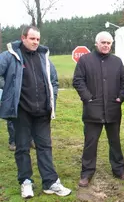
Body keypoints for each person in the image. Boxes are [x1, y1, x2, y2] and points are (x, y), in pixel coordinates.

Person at [0, 26, 71, 198]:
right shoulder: (9, 56)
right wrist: (9, 90)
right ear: (23, 38)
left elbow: (53, 80)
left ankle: (50, 182)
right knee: (22, 148)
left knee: (45, 147)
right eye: (32, 39)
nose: (35, 42)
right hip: (21, 111)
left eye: (38, 39)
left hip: (42, 112)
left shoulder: (43, 56)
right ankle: (26, 182)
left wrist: (52, 97)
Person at [73, 31, 124, 187]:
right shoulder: (85, 60)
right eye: (103, 42)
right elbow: (78, 81)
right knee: (90, 143)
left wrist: (121, 96)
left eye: (109, 43)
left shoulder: (117, 62)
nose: (106, 45)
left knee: (115, 142)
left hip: (113, 109)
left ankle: (119, 170)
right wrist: (88, 98)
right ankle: (86, 173)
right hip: (93, 110)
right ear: (96, 43)